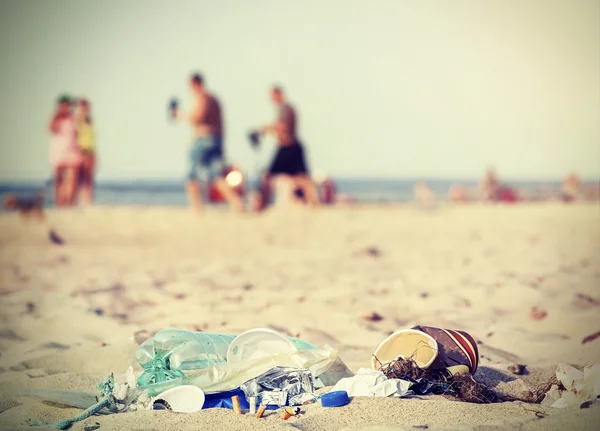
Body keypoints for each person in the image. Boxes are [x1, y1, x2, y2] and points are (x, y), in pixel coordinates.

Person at [176, 73, 244, 213]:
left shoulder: (203, 97)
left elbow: (198, 117)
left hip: (203, 141)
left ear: (195, 84)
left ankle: (196, 208)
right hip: (216, 140)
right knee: (216, 176)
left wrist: (181, 115)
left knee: (191, 175)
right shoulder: (214, 99)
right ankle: (236, 203)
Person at [259, 86, 318, 206]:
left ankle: (261, 206)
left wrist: (267, 128)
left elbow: (283, 127)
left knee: (269, 177)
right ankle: (314, 203)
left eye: (273, 96)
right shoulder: (284, 109)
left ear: (279, 95)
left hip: (288, 147)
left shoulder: (286, 108)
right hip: (290, 147)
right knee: (300, 178)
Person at [49, 95, 81, 206]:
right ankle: (59, 202)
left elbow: (78, 132)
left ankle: (69, 202)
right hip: (58, 152)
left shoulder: (73, 118)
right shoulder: (56, 118)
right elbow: (51, 128)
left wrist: (75, 104)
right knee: (59, 179)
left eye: (67, 106)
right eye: (63, 106)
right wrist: (57, 114)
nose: (66, 108)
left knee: (72, 179)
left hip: (72, 151)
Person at [75, 99, 96, 205]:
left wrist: (94, 155)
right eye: (83, 107)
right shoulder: (77, 120)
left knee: (89, 179)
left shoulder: (89, 120)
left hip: (90, 151)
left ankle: (88, 201)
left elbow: (91, 139)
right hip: (81, 151)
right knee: (80, 178)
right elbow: (75, 136)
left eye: (87, 107)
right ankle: (81, 200)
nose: (85, 110)